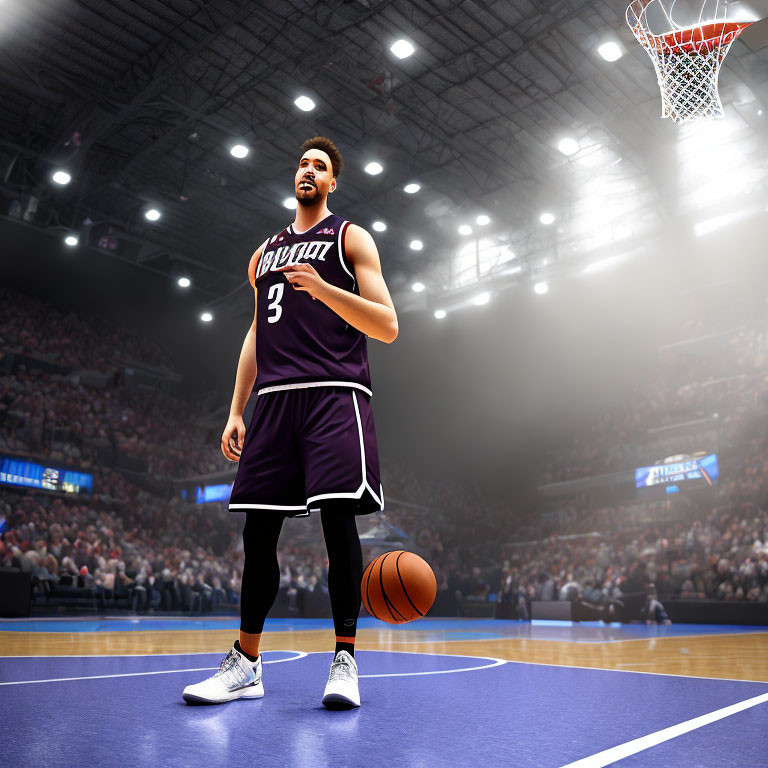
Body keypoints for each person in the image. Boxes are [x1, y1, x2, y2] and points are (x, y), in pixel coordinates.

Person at [182, 136, 398, 709]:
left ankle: (345, 660)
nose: (308, 170)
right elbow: (256, 333)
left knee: (336, 523)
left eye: (320, 166)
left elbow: (387, 325)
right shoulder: (263, 255)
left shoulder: (351, 237)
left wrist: (326, 289)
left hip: (334, 393)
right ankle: (246, 664)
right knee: (258, 535)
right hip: (274, 401)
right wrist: (234, 408)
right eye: (303, 163)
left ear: (333, 183)